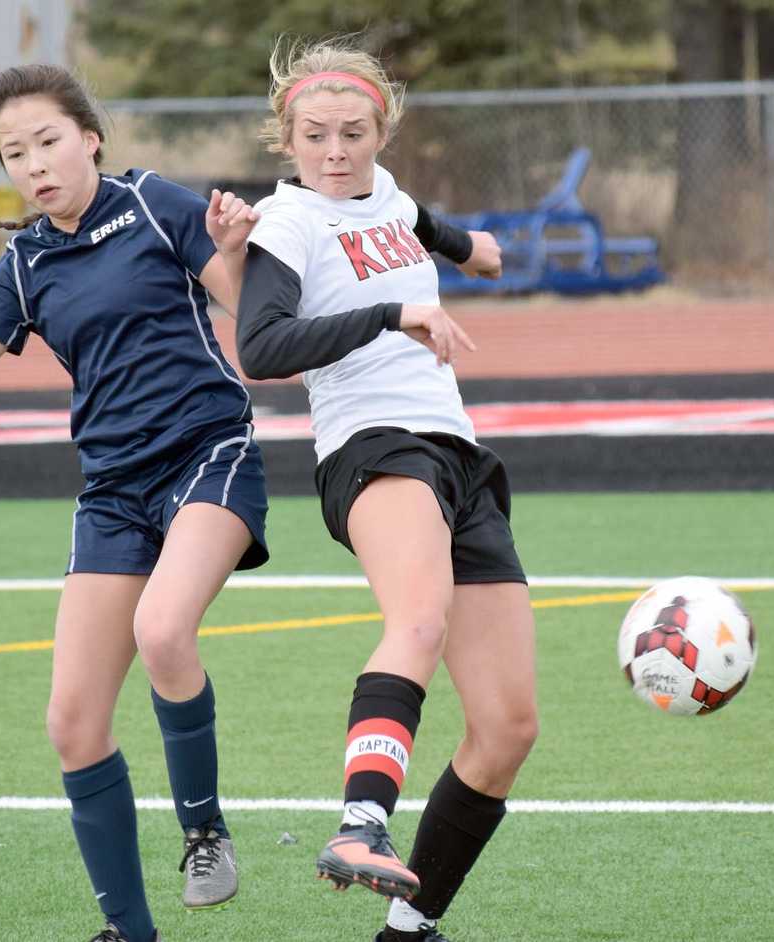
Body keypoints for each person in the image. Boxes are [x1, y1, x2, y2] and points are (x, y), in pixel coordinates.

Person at [0, 63, 269, 942]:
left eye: (47, 140)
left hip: (209, 457)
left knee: (163, 630)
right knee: (72, 723)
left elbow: (252, 325)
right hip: (113, 491)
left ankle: (205, 833)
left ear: (89, 138)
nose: (34, 163)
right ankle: (129, 931)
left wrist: (229, 249)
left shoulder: (154, 203)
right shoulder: (25, 262)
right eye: (15, 151)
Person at [235, 38, 538, 942]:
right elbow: (263, 347)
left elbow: (415, 221)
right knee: (418, 619)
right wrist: (394, 311)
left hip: (463, 459)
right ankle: (360, 824)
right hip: (373, 448)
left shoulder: (386, 193)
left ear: (382, 132)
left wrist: (473, 249)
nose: (336, 153)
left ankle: (409, 927)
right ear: (286, 139)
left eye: (355, 134)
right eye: (316, 136)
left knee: (508, 727)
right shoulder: (286, 223)